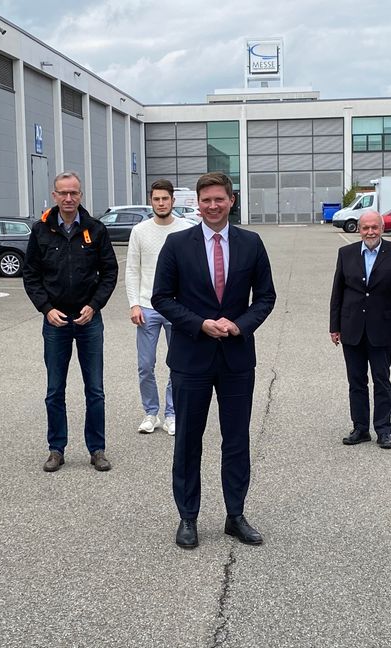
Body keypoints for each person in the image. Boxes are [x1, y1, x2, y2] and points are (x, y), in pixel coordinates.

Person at [152, 172, 276, 549]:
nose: (212, 206)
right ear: (197, 203)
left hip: (236, 359)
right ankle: (187, 517)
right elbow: (162, 297)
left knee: (236, 441)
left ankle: (235, 515)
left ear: (231, 201)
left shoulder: (251, 243)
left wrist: (240, 325)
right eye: (206, 200)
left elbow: (266, 297)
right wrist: (199, 324)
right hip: (191, 358)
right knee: (188, 442)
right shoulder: (177, 244)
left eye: (219, 199)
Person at [23, 171, 118, 473]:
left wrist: (94, 305)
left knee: (95, 390)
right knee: (55, 390)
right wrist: (46, 308)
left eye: (73, 193)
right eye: (63, 193)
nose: (68, 198)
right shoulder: (41, 231)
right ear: (54, 195)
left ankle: (97, 449)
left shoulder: (95, 229)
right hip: (56, 322)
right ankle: (56, 449)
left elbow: (109, 272)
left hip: (89, 320)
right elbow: (31, 275)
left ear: (80, 195)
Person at [329, 211, 391, 450]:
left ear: (382, 228)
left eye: (374, 227)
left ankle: (384, 430)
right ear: (359, 230)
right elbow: (337, 292)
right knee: (356, 381)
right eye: (365, 228)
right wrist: (335, 327)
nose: (370, 232)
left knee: (381, 380)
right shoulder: (346, 253)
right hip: (351, 328)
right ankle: (360, 428)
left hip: (382, 329)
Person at [125, 179, 193, 436]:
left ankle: (171, 414)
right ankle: (151, 413)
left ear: (172, 201)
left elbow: (194, 270)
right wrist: (134, 304)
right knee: (145, 365)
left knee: (178, 364)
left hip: (178, 308)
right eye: (157, 199)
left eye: (165, 198)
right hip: (147, 307)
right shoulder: (140, 231)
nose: (161, 203)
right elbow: (132, 270)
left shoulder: (186, 228)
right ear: (151, 201)